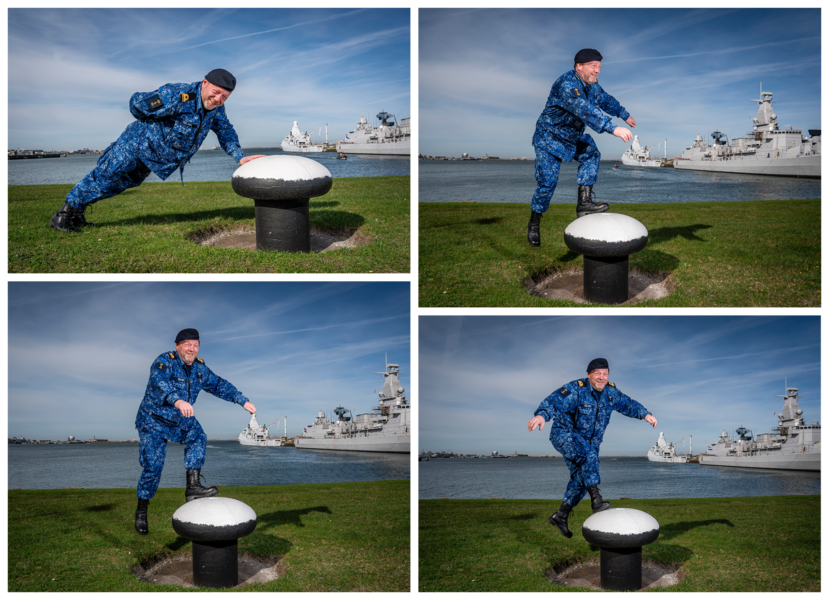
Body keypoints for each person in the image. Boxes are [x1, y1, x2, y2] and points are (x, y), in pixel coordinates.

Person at [50, 68, 267, 233]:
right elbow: (138, 104)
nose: (218, 99)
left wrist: (239, 156)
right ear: (205, 83)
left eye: (224, 97)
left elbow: (226, 131)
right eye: (216, 92)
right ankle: (62, 216)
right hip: (132, 147)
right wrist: (148, 121)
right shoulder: (178, 94)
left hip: (154, 158)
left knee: (119, 185)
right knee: (104, 178)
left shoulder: (216, 110)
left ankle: (77, 213)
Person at [133, 328, 257, 535]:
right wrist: (178, 400)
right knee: (153, 468)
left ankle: (193, 486)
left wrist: (242, 400)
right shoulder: (165, 361)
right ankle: (141, 511)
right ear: (178, 346)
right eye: (188, 344)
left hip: (179, 419)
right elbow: (159, 382)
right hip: (152, 421)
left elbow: (219, 385)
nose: (192, 349)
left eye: (196, 345)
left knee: (198, 435)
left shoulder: (200, 368)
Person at [527, 358, 657, 538]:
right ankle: (597, 501)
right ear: (589, 375)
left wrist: (645, 414)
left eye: (605, 374)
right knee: (589, 457)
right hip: (565, 434)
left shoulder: (611, 392)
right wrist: (542, 415)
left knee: (580, 479)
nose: (601, 378)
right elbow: (554, 401)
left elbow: (628, 404)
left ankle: (561, 515)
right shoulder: (576, 389)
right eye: (597, 374)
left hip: (590, 442)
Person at [527, 49, 636, 247]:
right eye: (593, 66)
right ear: (579, 66)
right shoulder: (567, 84)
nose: (597, 71)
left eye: (600, 67)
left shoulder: (592, 86)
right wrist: (612, 127)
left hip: (571, 138)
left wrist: (623, 114)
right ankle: (534, 223)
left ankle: (584, 203)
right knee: (547, 184)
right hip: (548, 139)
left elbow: (604, 100)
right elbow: (584, 109)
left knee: (591, 152)